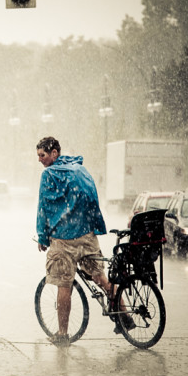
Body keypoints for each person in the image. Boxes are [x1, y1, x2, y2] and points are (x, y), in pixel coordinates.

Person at [35, 136, 132, 346]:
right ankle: (125, 315)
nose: (40, 160)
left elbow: (43, 207)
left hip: (63, 239)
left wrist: (43, 236)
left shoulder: (49, 174)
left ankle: (62, 333)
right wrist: (92, 226)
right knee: (101, 279)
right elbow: (92, 199)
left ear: (54, 153)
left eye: (42, 155)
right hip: (87, 236)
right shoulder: (81, 170)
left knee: (64, 284)